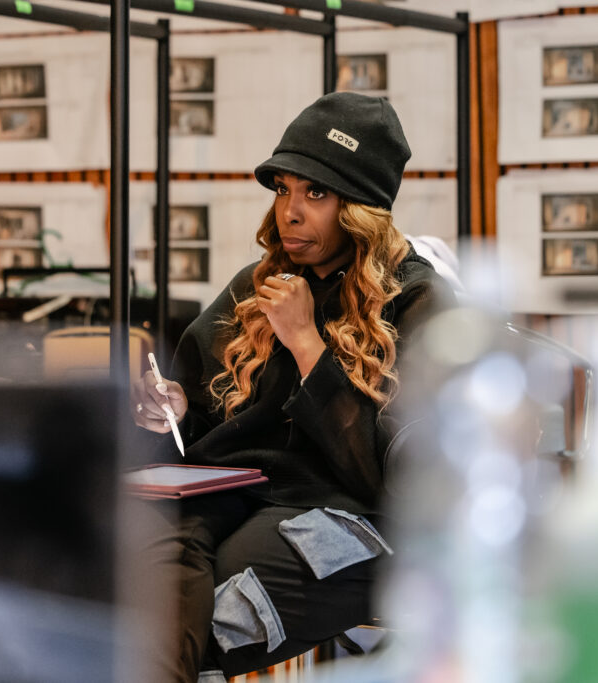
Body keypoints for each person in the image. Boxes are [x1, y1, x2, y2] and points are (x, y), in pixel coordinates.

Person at [130, 91, 454, 682]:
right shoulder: (257, 285)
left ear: (360, 207)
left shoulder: (417, 301)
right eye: (283, 189)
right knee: (132, 581)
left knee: (221, 609)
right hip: (230, 491)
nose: (290, 212)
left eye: (316, 194)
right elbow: (203, 421)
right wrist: (174, 412)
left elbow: (398, 477)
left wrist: (306, 342)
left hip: (343, 508)